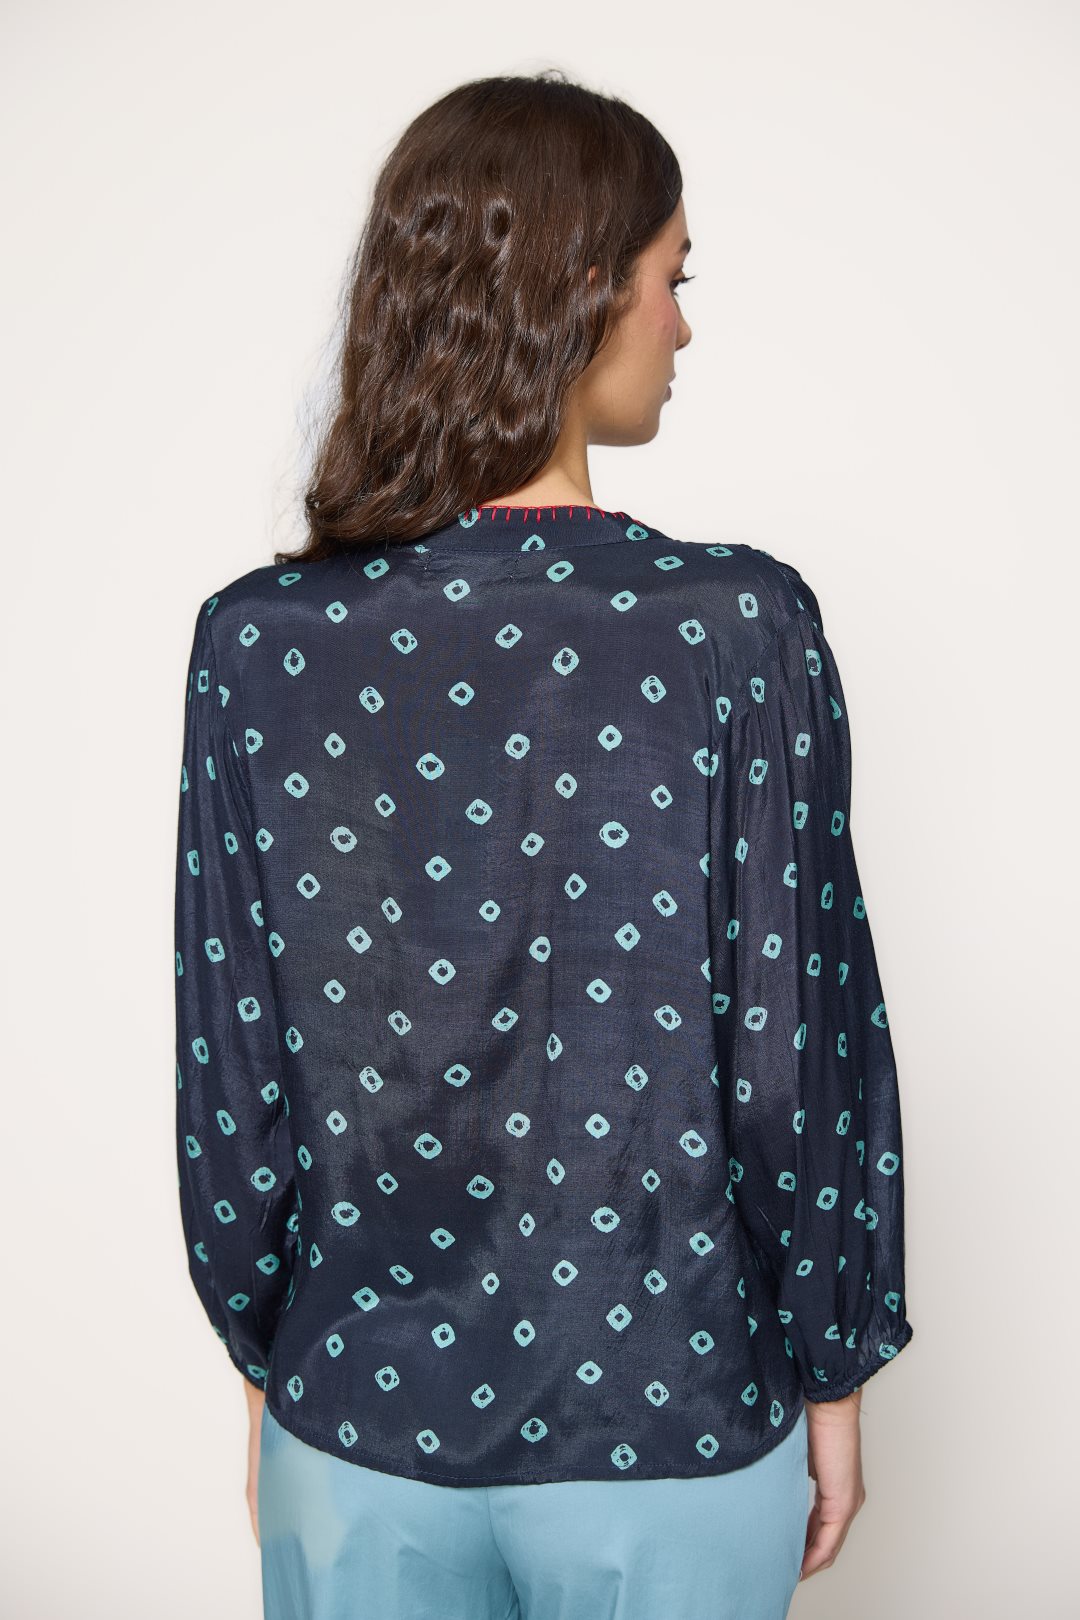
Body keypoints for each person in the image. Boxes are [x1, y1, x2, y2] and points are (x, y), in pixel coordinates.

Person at [173, 69, 914, 1620]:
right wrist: (836, 1372)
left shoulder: (260, 643)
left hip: (353, 1423)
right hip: (670, 1419)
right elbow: (797, 1053)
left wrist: (268, 1366)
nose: (683, 326)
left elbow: (235, 1071)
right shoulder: (737, 628)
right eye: (672, 277)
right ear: (584, 287)